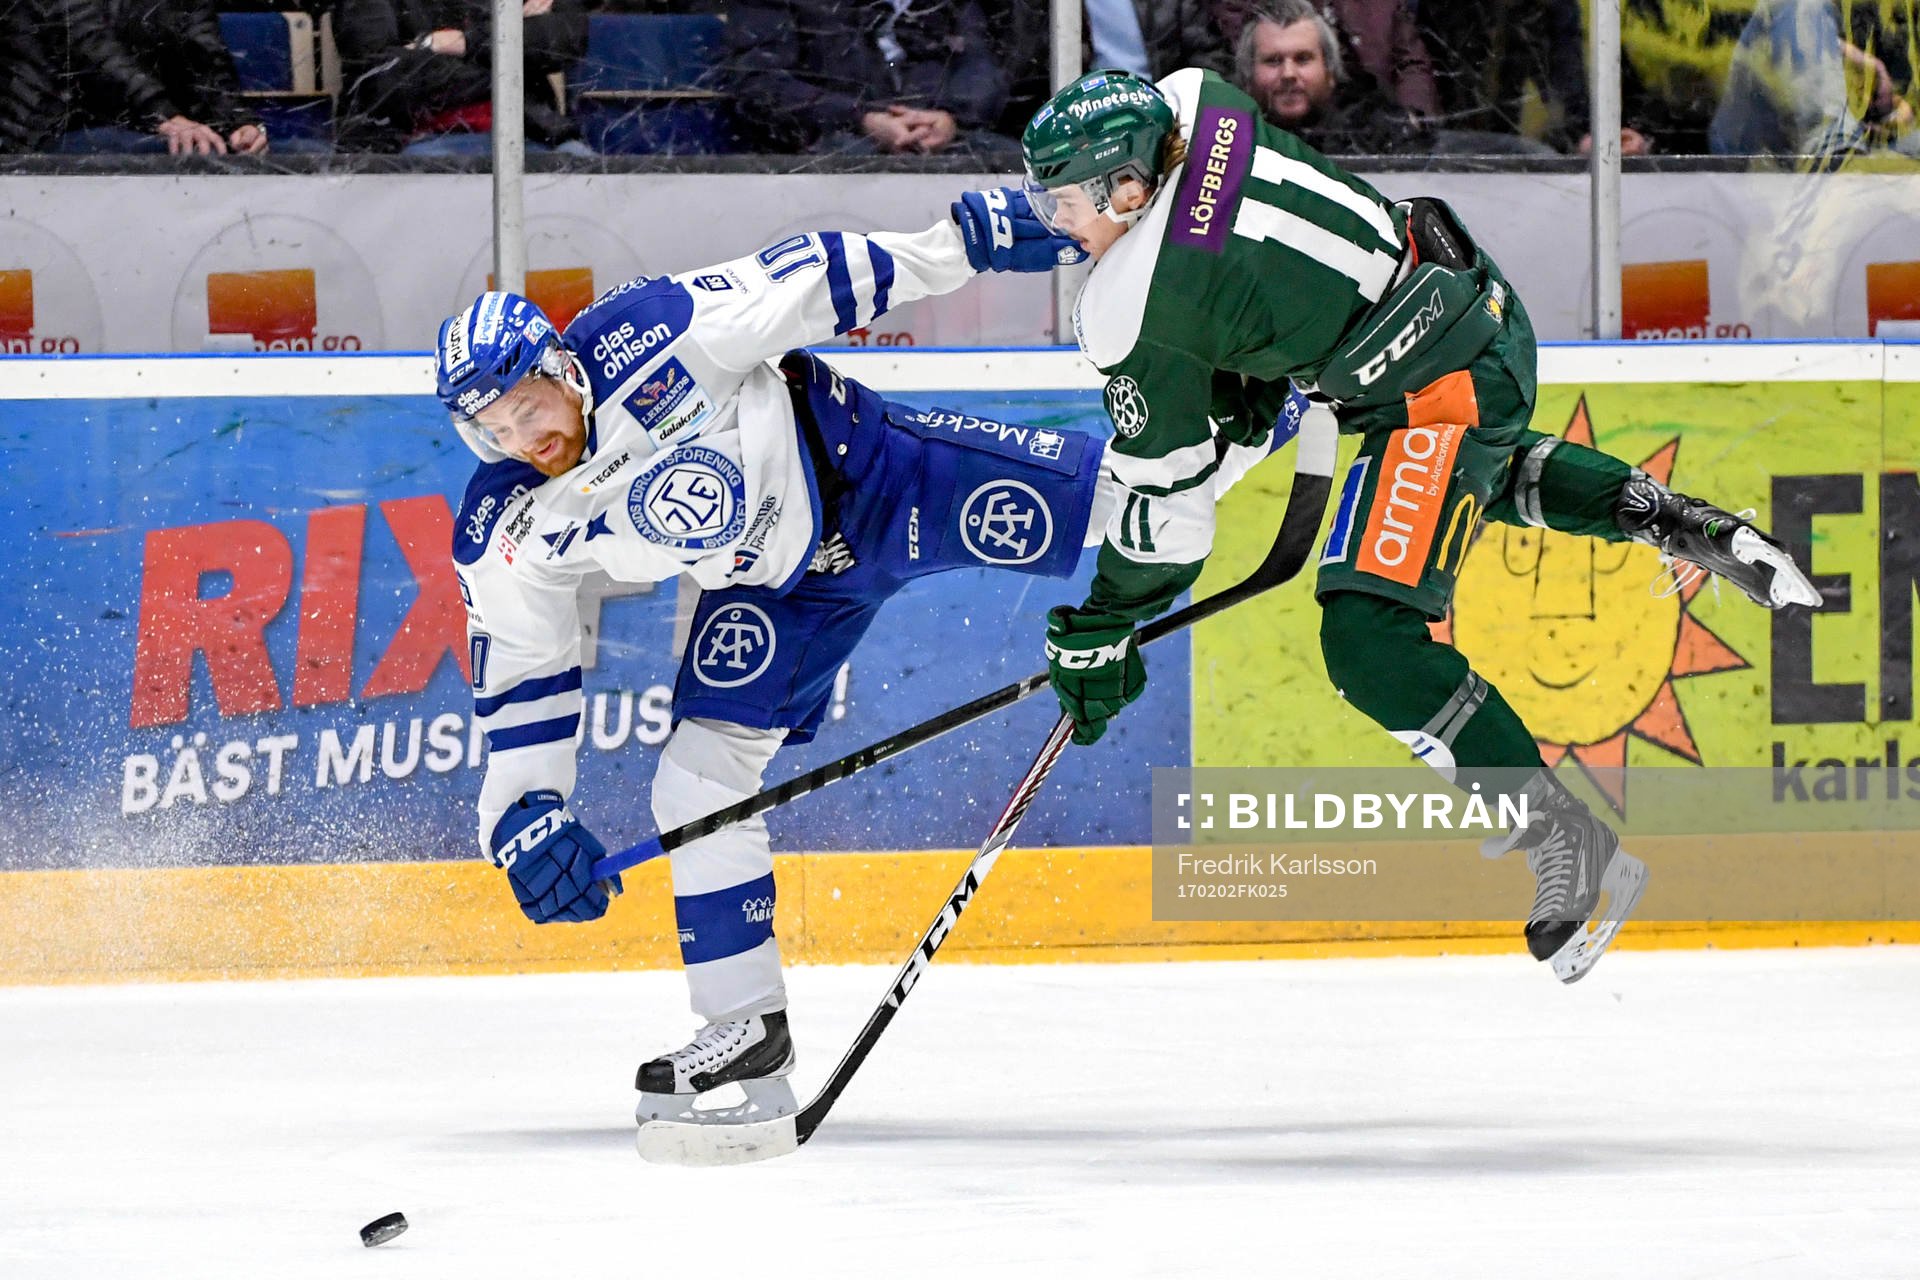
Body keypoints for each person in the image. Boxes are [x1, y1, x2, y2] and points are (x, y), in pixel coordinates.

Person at [436, 192, 1286, 1122]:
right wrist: (523, 813)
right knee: (695, 780)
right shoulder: (506, 524)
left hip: (873, 481)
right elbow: (521, 669)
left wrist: (958, 245)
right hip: (773, 593)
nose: (524, 441)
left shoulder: (657, 332)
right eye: (493, 431)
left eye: (526, 408)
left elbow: (810, 275)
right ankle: (744, 1027)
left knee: (1125, 506)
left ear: (561, 367)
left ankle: (1270, 406)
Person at [1019, 67, 1824, 982]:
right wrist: (1241, 377)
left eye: (1066, 205)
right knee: (1469, 474)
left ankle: (1562, 836)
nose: (1059, 229)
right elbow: (1248, 268)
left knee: (1371, 644)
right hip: (1466, 303)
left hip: (1428, 394)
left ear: (1128, 188)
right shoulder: (1197, 98)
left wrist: (1105, 623)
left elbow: (1168, 516)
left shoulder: (1128, 306)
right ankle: (1680, 523)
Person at [720, 0, 1019, 156]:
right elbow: (759, 84)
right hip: (831, 144)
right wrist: (862, 119)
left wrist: (949, 116)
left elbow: (981, 62)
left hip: (943, 139)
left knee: (1025, 170)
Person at [332, 0, 588, 154]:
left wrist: (458, 42)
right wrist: (508, 46)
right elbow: (381, 75)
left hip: (529, 131)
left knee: (584, 176)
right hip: (418, 141)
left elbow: (568, 38)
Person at [35, 0, 270, 156]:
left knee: (297, 155)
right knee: (193, 156)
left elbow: (207, 55)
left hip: (157, 122)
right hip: (62, 126)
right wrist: (166, 116)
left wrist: (238, 123)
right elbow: (92, 48)